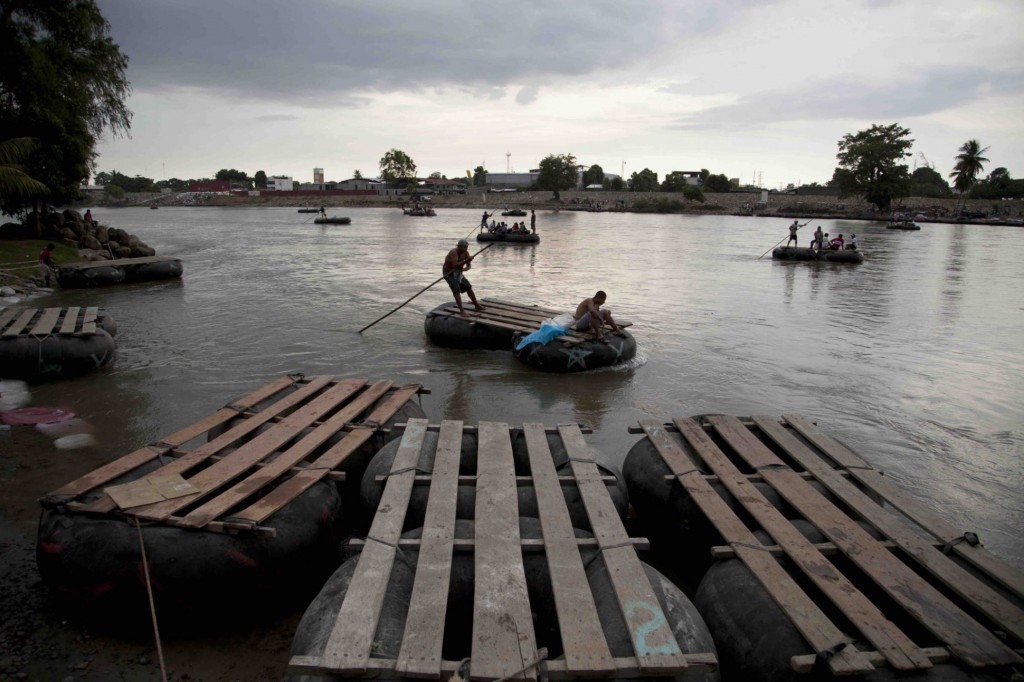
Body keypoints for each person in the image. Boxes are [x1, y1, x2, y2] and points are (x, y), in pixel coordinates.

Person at [443, 239, 486, 315]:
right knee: (456, 290)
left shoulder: (466, 253)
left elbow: (468, 265)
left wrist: (464, 269)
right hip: (449, 273)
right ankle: (461, 311)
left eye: (467, 247)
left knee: (468, 287)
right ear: (459, 246)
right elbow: (454, 265)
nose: (466, 249)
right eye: (464, 247)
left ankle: (476, 305)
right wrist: (466, 261)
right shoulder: (453, 252)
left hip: (458, 273)